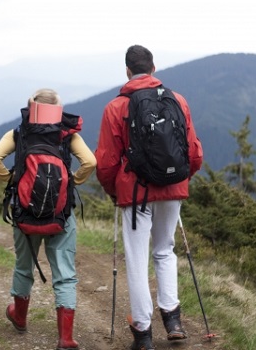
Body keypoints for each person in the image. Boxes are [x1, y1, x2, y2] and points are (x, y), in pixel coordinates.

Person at [95, 45, 203, 349]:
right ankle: (173, 319)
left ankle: (143, 333)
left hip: (135, 193)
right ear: (153, 69)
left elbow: (106, 162)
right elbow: (193, 151)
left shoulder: (116, 108)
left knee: (137, 260)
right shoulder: (177, 100)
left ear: (128, 71)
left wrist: (114, 191)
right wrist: (180, 181)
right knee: (165, 250)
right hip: (172, 189)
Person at [0, 88, 96, 350]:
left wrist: (13, 180)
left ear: (31, 107)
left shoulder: (19, 133)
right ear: (58, 109)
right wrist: (71, 183)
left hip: (26, 212)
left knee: (24, 266)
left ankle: (20, 317)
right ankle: (66, 338)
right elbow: (90, 162)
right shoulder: (68, 135)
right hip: (61, 214)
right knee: (65, 275)